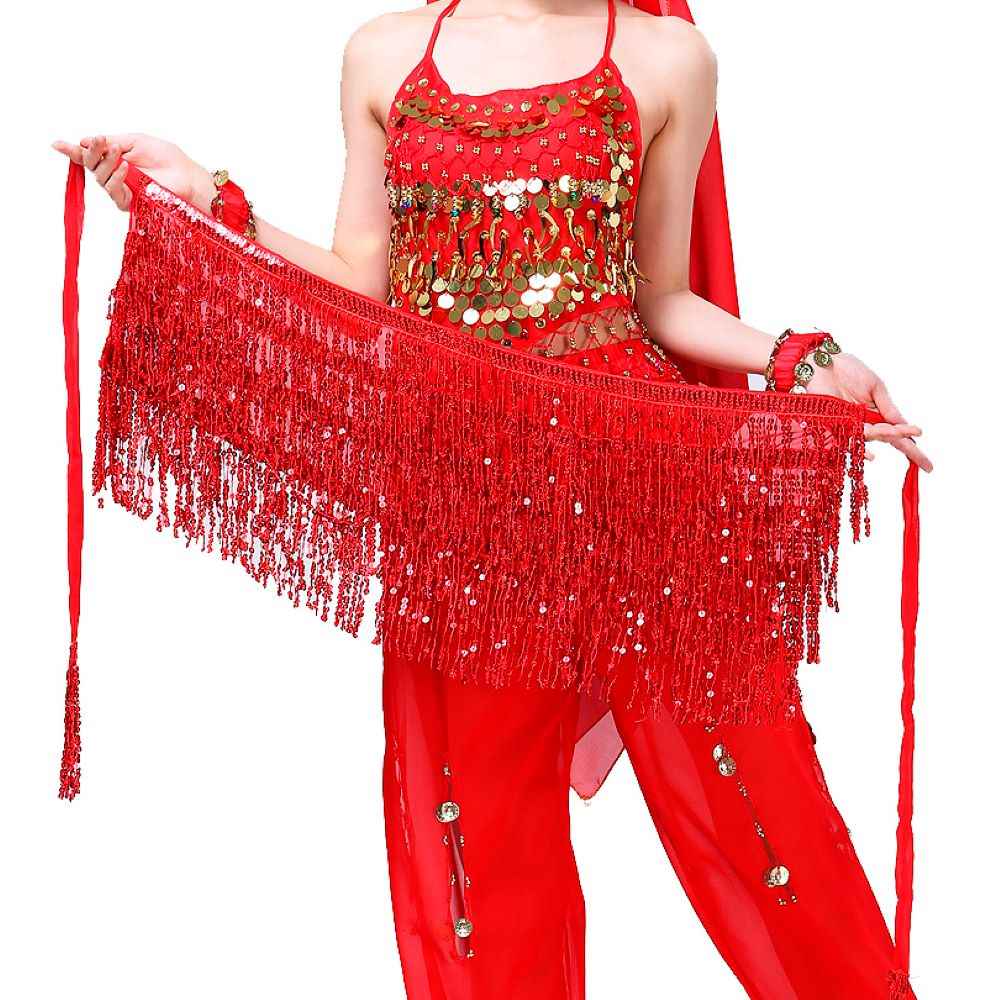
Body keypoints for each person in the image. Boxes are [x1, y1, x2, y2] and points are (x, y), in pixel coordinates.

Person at [54, 2, 931, 997]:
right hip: (462, 508)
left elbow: (661, 298)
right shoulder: (383, 54)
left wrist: (801, 361)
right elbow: (362, 285)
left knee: (761, 803)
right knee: (482, 843)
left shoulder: (669, 56)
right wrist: (210, 197)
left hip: (635, 481)